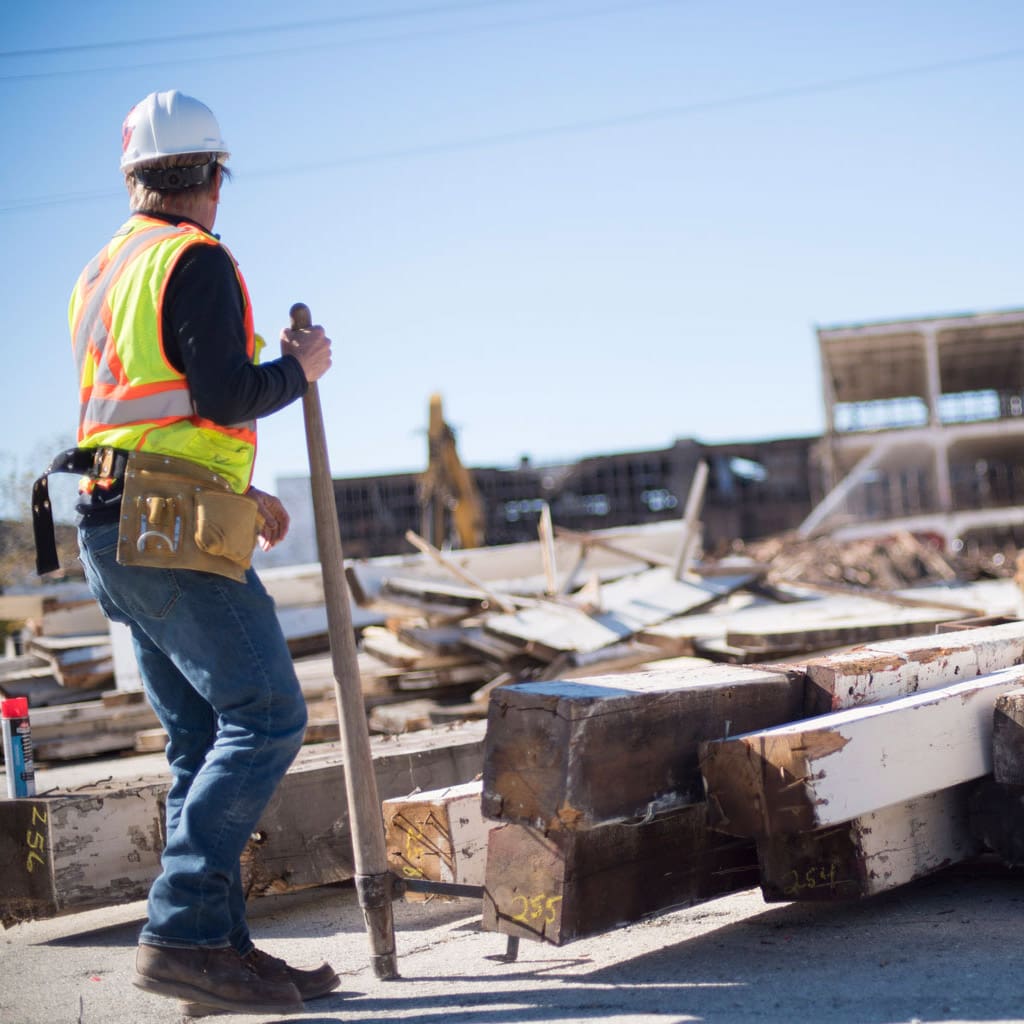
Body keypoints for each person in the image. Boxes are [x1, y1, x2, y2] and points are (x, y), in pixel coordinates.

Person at [67, 89, 337, 1015]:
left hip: (116, 522)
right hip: (166, 527)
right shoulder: (196, 258)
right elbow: (223, 395)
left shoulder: (106, 267)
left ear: (136, 178)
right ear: (215, 178)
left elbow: (154, 418)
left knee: (199, 739)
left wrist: (237, 493)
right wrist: (298, 371)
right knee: (265, 719)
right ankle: (181, 931)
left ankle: (218, 952)